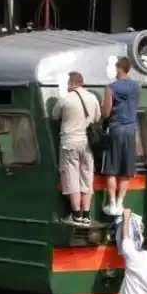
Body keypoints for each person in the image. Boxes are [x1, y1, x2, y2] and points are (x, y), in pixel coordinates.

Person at [52, 71, 101, 225]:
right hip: (87, 142)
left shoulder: (65, 98)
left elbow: (54, 115)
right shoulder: (92, 98)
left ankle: (76, 215)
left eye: (68, 82)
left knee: (71, 176)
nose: (67, 85)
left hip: (69, 142)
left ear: (72, 83)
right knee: (87, 176)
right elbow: (97, 117)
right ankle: (86, 215)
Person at [102, 57, 140, 216]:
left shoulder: (111, 87)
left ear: (119, 68)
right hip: (131, 130)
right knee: (126, 169)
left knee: (112, 167)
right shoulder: (137, 86)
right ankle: (120, 203)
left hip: (116, 129)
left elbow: (106, 112)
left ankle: (111, 204)